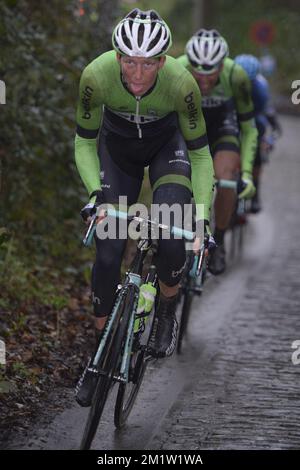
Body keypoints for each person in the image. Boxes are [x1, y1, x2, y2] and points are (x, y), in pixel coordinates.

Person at [74, 9, 214, 406]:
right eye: (130, 61)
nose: (138, 73)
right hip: (116, 158)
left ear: (163, 61)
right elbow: (84, 141)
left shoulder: (182, 85)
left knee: (172, 235)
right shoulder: (95, 76)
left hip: (167, 153)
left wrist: (201, 218)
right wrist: (95, 194)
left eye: (148, 63)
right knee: (107, 254)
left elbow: (201, 155)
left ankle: (166, 308)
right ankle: (98, 356)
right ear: (117, 57)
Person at [178, 29, 258, 275]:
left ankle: (219, 241)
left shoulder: (237, 76)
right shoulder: (177, 70)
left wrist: (246, 172)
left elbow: (249, 128)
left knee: (226, 180)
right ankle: (175, 234)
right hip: (189, 124)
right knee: (178, 174)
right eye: (197, 73)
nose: (203, 81)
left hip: (222, 125)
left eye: (210, 74)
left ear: (222, 66)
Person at [234, 54, 282, 213]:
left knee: (257, 148)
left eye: (249, 81)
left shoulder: (261, 89)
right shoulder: (227, 80)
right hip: (233, 112)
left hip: (255, 115)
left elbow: (264, 116)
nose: (244, 85)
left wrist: (267, 139)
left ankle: (255, 194)